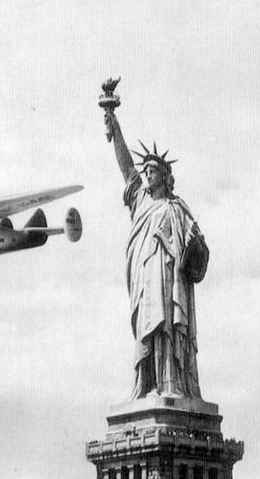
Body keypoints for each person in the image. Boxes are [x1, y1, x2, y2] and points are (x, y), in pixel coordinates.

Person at [104, 89, 209, 400]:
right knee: (148, 329)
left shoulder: (178, 208)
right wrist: (112, 120)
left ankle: (171, 382)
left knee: (168, 328)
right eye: (146, 171)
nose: (147, 175)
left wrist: (194, 245)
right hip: (146, 279)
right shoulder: (140, 201)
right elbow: (126, 167)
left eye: (152, 171)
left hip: (169, 278)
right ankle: (148, 384)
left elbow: (199, 256)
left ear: (164, 176)